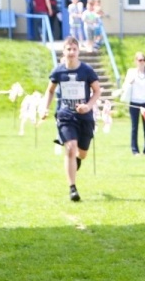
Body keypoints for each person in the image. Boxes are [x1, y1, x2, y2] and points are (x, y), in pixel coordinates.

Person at [42, 36, 101, 202]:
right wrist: (45, 108)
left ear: (78, 51)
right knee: (70, 148)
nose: (71, 52)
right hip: (65, 115)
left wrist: (88, 106)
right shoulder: (58, 71)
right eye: (68, 49)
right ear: (64, 51)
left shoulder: (87, 70)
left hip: (85, 117)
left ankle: (77, 160)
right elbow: (50, 91)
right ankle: (72, 188)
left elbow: (97, 91)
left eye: (74, 49)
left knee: (82, 153)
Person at [121, 51, 145, 155]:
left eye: (144, 60)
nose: (142, 62)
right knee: (134, 127)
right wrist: (129, 83)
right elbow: (124, 87)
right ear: (136, 61)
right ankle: (135, 150)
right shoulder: (131, 72)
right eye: (140, 60)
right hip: (134, 102)